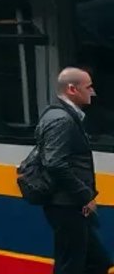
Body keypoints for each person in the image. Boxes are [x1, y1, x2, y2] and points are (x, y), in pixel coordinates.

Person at [36, 67, 110, 274]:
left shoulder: (69, 117)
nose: (92, 92)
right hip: (65, 204)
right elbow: (55, 163)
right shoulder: (61, 120)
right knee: (71, 266)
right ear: (72, 89)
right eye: (88, 87)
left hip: (72, 203)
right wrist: (85, 195)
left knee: (97, 261)